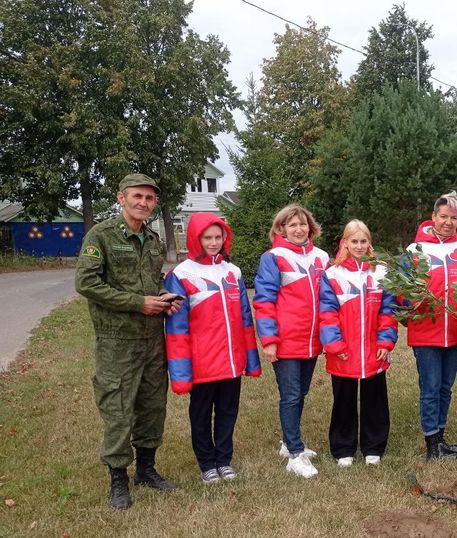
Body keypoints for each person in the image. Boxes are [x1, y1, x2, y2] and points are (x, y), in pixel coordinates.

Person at [75, 173, 181, 509]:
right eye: (137, 196)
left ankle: (146, 470)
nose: (143, 203)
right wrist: (138, 303)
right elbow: (86, 282)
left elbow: (154, 280)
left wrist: (164, 296)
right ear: (121, 198)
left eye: (149, 199)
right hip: (117, 340)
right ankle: (118, 480)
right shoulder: (102, 235)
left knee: (152, 406)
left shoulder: (152, 239)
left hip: (153, 339)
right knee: (118, 408)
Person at [164, 213, 261, 484]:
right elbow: (176, 328)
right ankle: (207, 463)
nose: (214, 242)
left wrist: (251, 360)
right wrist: (181, 373)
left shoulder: (233, 272)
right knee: (201, 414)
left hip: (232, 361)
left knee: (228, 411)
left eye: (219, 237)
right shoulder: (181, 275)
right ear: (196, 238)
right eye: (208, 237)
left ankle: (224, 459)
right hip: (202, 363)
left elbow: (245, 319)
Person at [253, 204, 330, 478]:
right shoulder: (274, 257)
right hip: (286, 341)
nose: (298, 229)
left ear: (310, 227)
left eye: (303, 224)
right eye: (292, 225)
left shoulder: (322, 257)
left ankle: (288, 442)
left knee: (302, 393)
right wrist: (269, 339)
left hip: (312, 341)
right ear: (281, 228)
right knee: (291, 395)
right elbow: (264, 300)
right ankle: (296, 453)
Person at [319, 220, 398, 467]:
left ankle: (373, 445)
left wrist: (386, 341)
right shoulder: (332, 274)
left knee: (375, 398)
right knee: (344, 399)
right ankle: (343, 447)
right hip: (343, 352)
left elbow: (388, 310)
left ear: (369, 243)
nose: (359, 246)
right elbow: (327, 313)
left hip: (374, 350)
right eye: (354, 241)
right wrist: (335, 345)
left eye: (364, 241)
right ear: (345, 243)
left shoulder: (382, 273)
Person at [406, 191, 457, 460]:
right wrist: (410, 309)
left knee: (446, 387)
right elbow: (401, 293)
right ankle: (431, 442)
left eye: (453, 217)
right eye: (443, 216)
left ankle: (442, 435)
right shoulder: (414, 251)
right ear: (433, 217)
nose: (448, 222)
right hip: (426, 333)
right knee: (431, 387)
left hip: (455, 332)